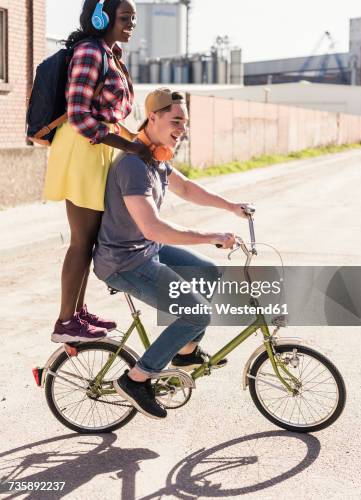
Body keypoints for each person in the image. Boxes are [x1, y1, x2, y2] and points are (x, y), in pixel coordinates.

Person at [93, 87, 252, 420]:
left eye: (186, 122)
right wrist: (212, 236)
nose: (183, 128)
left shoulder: (156, 156)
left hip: (146, 250)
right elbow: (154, 228)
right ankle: (136, 379)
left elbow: (188, 188)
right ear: (153, 117)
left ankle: (184, 352)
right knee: (197, 314)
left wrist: (231, 207)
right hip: (125, 262)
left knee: (209, 274)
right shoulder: (134, 165)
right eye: (176, 120)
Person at [45, 0, 142, 343]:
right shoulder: (89, 52)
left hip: (99, 149)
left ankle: (78, 314)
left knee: (90, 240)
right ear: (101, 18)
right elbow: (81, 117)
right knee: (81, 240)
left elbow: (111, 116)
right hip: (84, 149)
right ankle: (65, 322)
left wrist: (139, 142)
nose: (131, 25)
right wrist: (132, 148)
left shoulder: (110, 54)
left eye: (133, 19)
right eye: (124, 18)